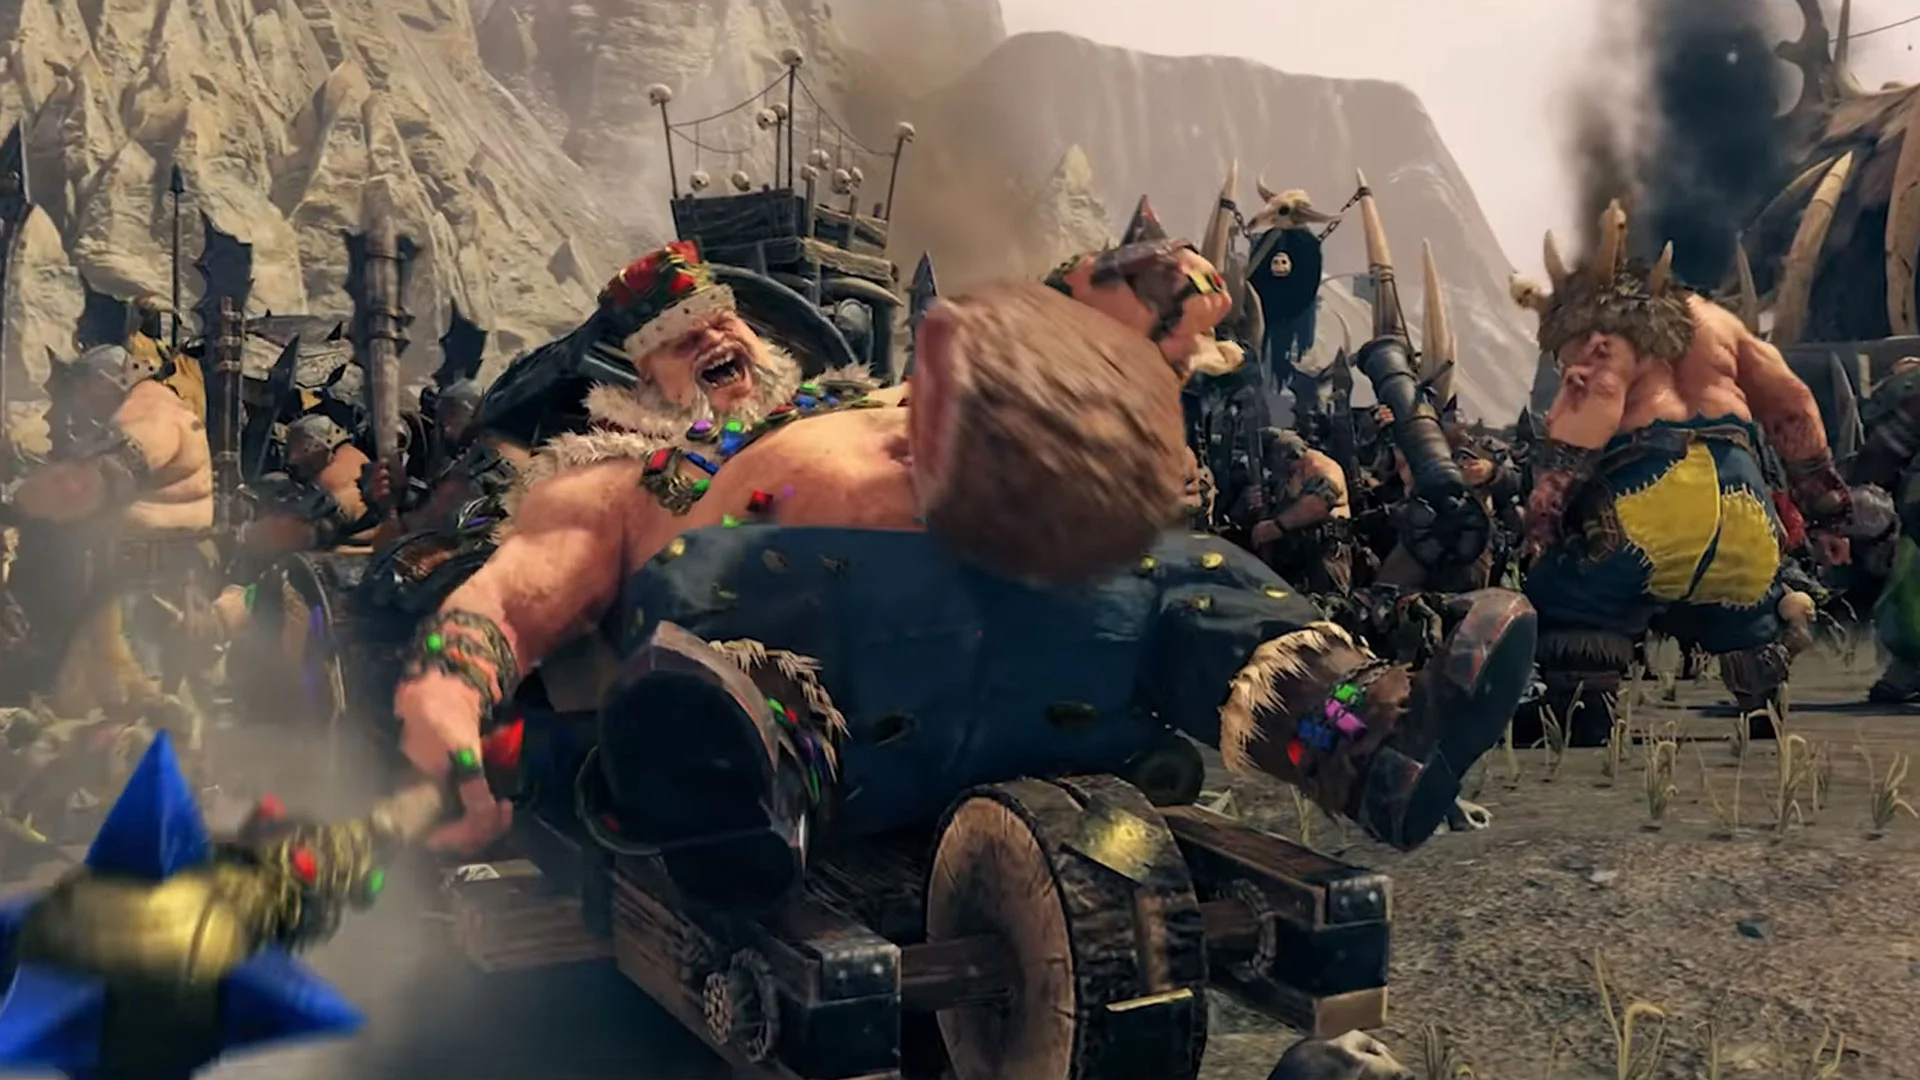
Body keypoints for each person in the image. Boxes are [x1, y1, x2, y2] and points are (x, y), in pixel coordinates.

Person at [388, 237, 1537, 910]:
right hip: (830, 693)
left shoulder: (875, 396)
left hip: (1056, 639)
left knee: (1188, 572)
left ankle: (1373, 747)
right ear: (639, 377)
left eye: (719, 321)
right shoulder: (625, 478)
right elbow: (513, 595)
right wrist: (446, 697)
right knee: (723, 582)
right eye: (680, 341)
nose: (713, 340)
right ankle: (740, 786)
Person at [1511, 202, 1847, 743]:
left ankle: (1583, 709)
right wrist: (1826, 508)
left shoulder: (1602, 321)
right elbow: (1793, 405)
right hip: (1743, 504)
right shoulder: (1722, 325)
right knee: (1746, 601)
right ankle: (1761, 696)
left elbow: (1597, 396)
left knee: (1573, 594)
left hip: (1650, 498)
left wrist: (1547, 506)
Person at [7, 343, 217, 722]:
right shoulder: (140, 411)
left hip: (148, 595)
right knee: (85, 716)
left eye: (82, 388)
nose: (77, 402)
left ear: (108, 381)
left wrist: (17, 500)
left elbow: (91, 485)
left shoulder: (151, 413)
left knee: (141, 719)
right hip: (122, 588)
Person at [1241, 428, 1354, 595]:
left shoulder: (1321, 467)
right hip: (1294, 556)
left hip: (1325, 554)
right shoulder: (1288, 475)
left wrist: (1276, 526)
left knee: (1326, 603)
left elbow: (1319, 502)